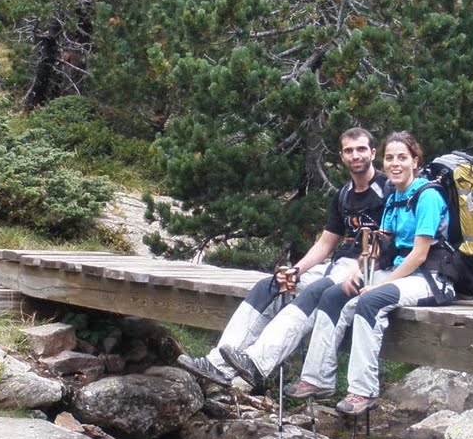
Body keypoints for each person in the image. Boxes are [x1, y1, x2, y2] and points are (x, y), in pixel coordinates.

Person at [177, 127, 392, 389]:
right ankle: (216, 364)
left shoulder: (388, 190)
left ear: (372, 152)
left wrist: (357, 270)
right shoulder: (344, 194)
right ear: (342, 156)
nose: (355, 155)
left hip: (366, 267)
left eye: (361, 149)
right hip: (336, 264)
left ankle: (256, 364)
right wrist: (295, 270)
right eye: (349, 150)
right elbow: (326, 243)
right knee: (270, 284)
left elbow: (390, 242)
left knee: (317, 291)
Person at [333, 131, 456, 416]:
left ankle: (361, 392)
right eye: (390, 158)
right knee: (340, 294)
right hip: (403, 274)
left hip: (431, 278)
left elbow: (419, 254)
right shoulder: (394, 197)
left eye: (402, 157)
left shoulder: (427, 197)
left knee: (371, 301)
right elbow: (380, 246)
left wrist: (381, 284)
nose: (395, 164)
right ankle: (320, 376)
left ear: (416, 161)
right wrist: (360, 272)